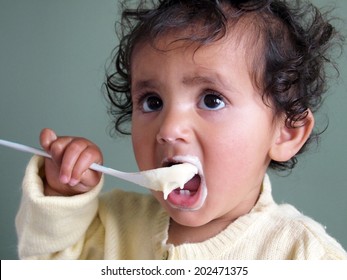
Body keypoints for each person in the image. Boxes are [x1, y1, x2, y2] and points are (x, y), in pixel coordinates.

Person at [16, 0, 347, 259]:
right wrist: (62, 195)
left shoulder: (305, 255)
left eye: (212, 100)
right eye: (152, 102)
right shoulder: (108, 226)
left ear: (285, 133)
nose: (169, 129)